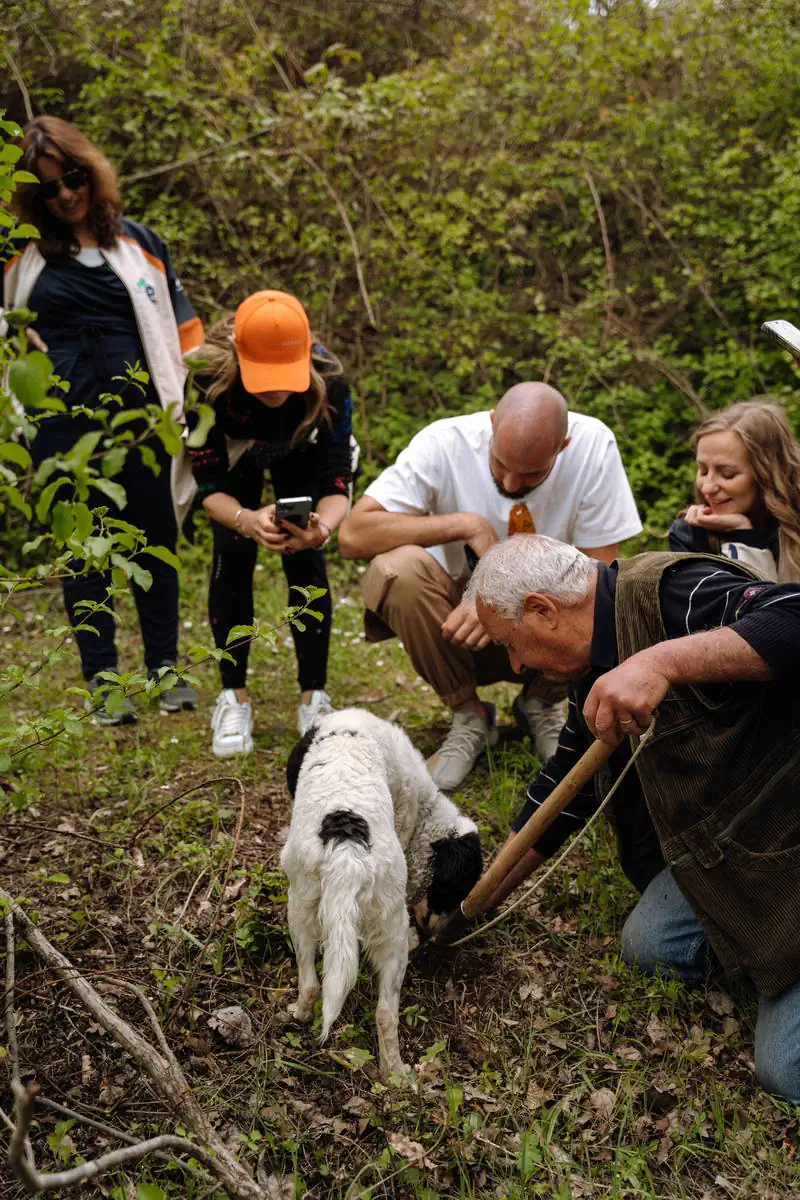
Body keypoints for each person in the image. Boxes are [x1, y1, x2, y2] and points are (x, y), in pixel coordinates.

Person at [466, 532, 800, 1102]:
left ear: (542, 610)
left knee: (784, 1072)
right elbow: (564, 792)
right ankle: (760, 946)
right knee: (651, 946)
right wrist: (479, 897)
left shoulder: (672, 593)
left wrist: (662, 660)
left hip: (786, 826)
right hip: (738, 847)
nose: (516, 663)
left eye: (510, 644)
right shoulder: (595, 660)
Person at [338, 383, 642, 789]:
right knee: (398, 570)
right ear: (492, 423)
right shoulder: (444, 443)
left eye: (532, 472)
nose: (512, 483)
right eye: (500, 465)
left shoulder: (593, 447)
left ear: (564, 445)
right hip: (457, 632)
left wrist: (495, 597)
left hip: (546, 630)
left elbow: (598, 579)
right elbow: (353, 535)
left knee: (607, 596)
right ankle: (469, 715)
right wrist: (465, 525)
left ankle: (545, 702)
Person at [3, 116, 203, 723]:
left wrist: (206, 402)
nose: (64, 195)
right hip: (61, 426)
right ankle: (103, 684)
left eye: (71, 179)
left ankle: (165, 672)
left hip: (143, 423)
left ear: (89, 172)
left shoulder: (141, 244)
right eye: (47, 190)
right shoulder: (20, 253)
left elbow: (185, 332)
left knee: (154, 545)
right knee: (84, 554)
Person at [186, 290, 354, 756]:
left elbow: (338, 479)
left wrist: (323, 529)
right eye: (264, 378)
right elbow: (207, 484)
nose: (277, 390)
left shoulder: (330, 381)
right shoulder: (205, 379)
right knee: (232, 553)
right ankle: (232, 695)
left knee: (306, 553)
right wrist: (244, 519)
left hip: (301, 448)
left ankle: (313, 697)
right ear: (240, 358)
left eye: (285, 377)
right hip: (236, 452)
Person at [668, 400, 800, 582]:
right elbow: (744, 606)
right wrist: (743, 535)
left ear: (766, 474)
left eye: (727, 474)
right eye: (703, 470)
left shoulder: (793, 524)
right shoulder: (689, 534)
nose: (707, 487)